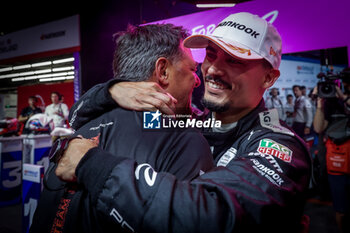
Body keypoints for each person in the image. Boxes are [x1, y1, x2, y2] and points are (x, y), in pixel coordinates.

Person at [55, 12, 311, 233]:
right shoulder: (188, 122)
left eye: (234, 60)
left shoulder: (279, 142)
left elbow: (209, 218)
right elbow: (83, 118)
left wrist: (90, 164)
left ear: (268, 78)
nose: (211, 70)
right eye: (211, 55)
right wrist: (111, 92)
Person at [30, 24, 214, 233]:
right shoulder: (185, 140)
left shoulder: (83, 127)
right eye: (192, 69)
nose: (197, 80)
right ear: (163, 71)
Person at [312, 68, 350, 233]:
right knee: (341, 209)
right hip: (338, 162)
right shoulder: (330, 104)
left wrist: (344, 99)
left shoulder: (344, 100)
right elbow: (319, 127)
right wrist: (320, 106)